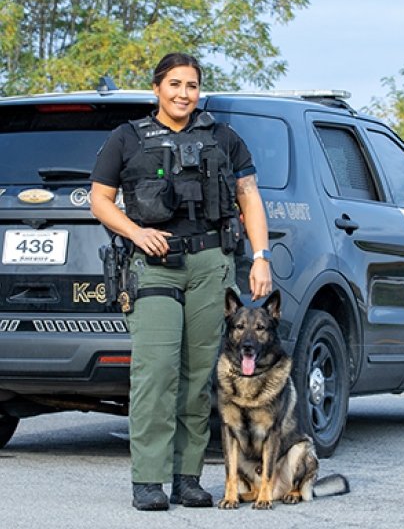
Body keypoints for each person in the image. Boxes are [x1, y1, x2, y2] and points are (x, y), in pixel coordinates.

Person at [90, 52, 272, 511]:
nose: (182, 94)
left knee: (197, 377)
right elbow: (100, 199)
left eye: (191, 86)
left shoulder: (223, 137)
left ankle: (187, 477)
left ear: (198, 91)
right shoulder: (127, 138)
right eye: (174, 84)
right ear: (156, 88)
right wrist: (135, 231)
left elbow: (248, 196)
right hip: (154, 265)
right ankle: (148, 481)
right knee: (155, 374)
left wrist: (261, 256)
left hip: (211, 264)